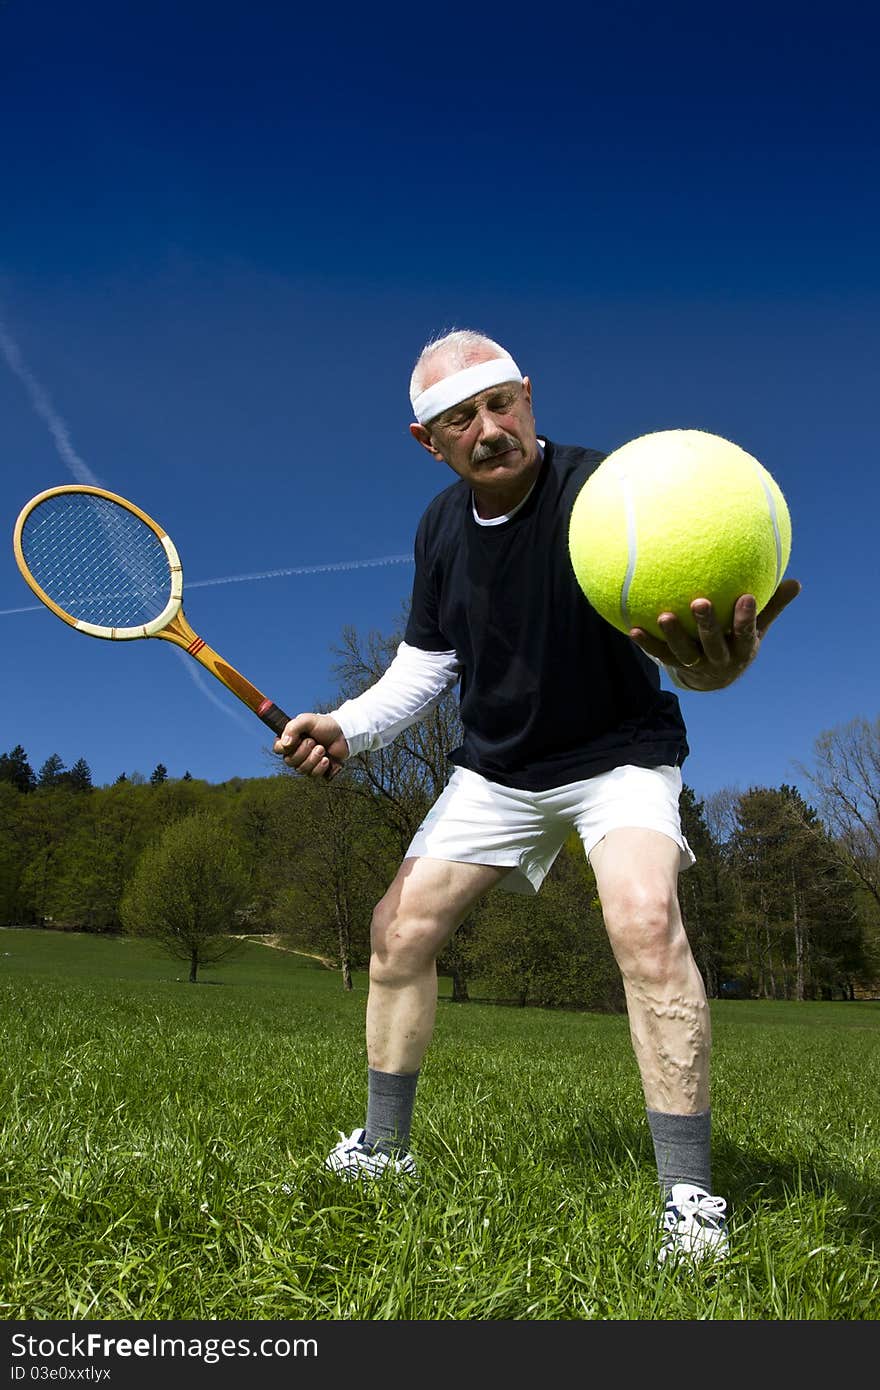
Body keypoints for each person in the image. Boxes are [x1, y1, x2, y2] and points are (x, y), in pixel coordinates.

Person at [275, 329, 801, 1265]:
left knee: (644, 926)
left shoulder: (618, 497)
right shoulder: (440, 529)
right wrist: (346, 727)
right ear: (424, 440)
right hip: (497, 770)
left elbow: (679, 654)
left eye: (500, 404)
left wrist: (718, 672)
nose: (488, 430)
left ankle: (688, 1196)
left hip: (618, 755)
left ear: (528, 394)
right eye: (458, 420)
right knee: (397, 934)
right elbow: (423, 668)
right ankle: (384, 1153)